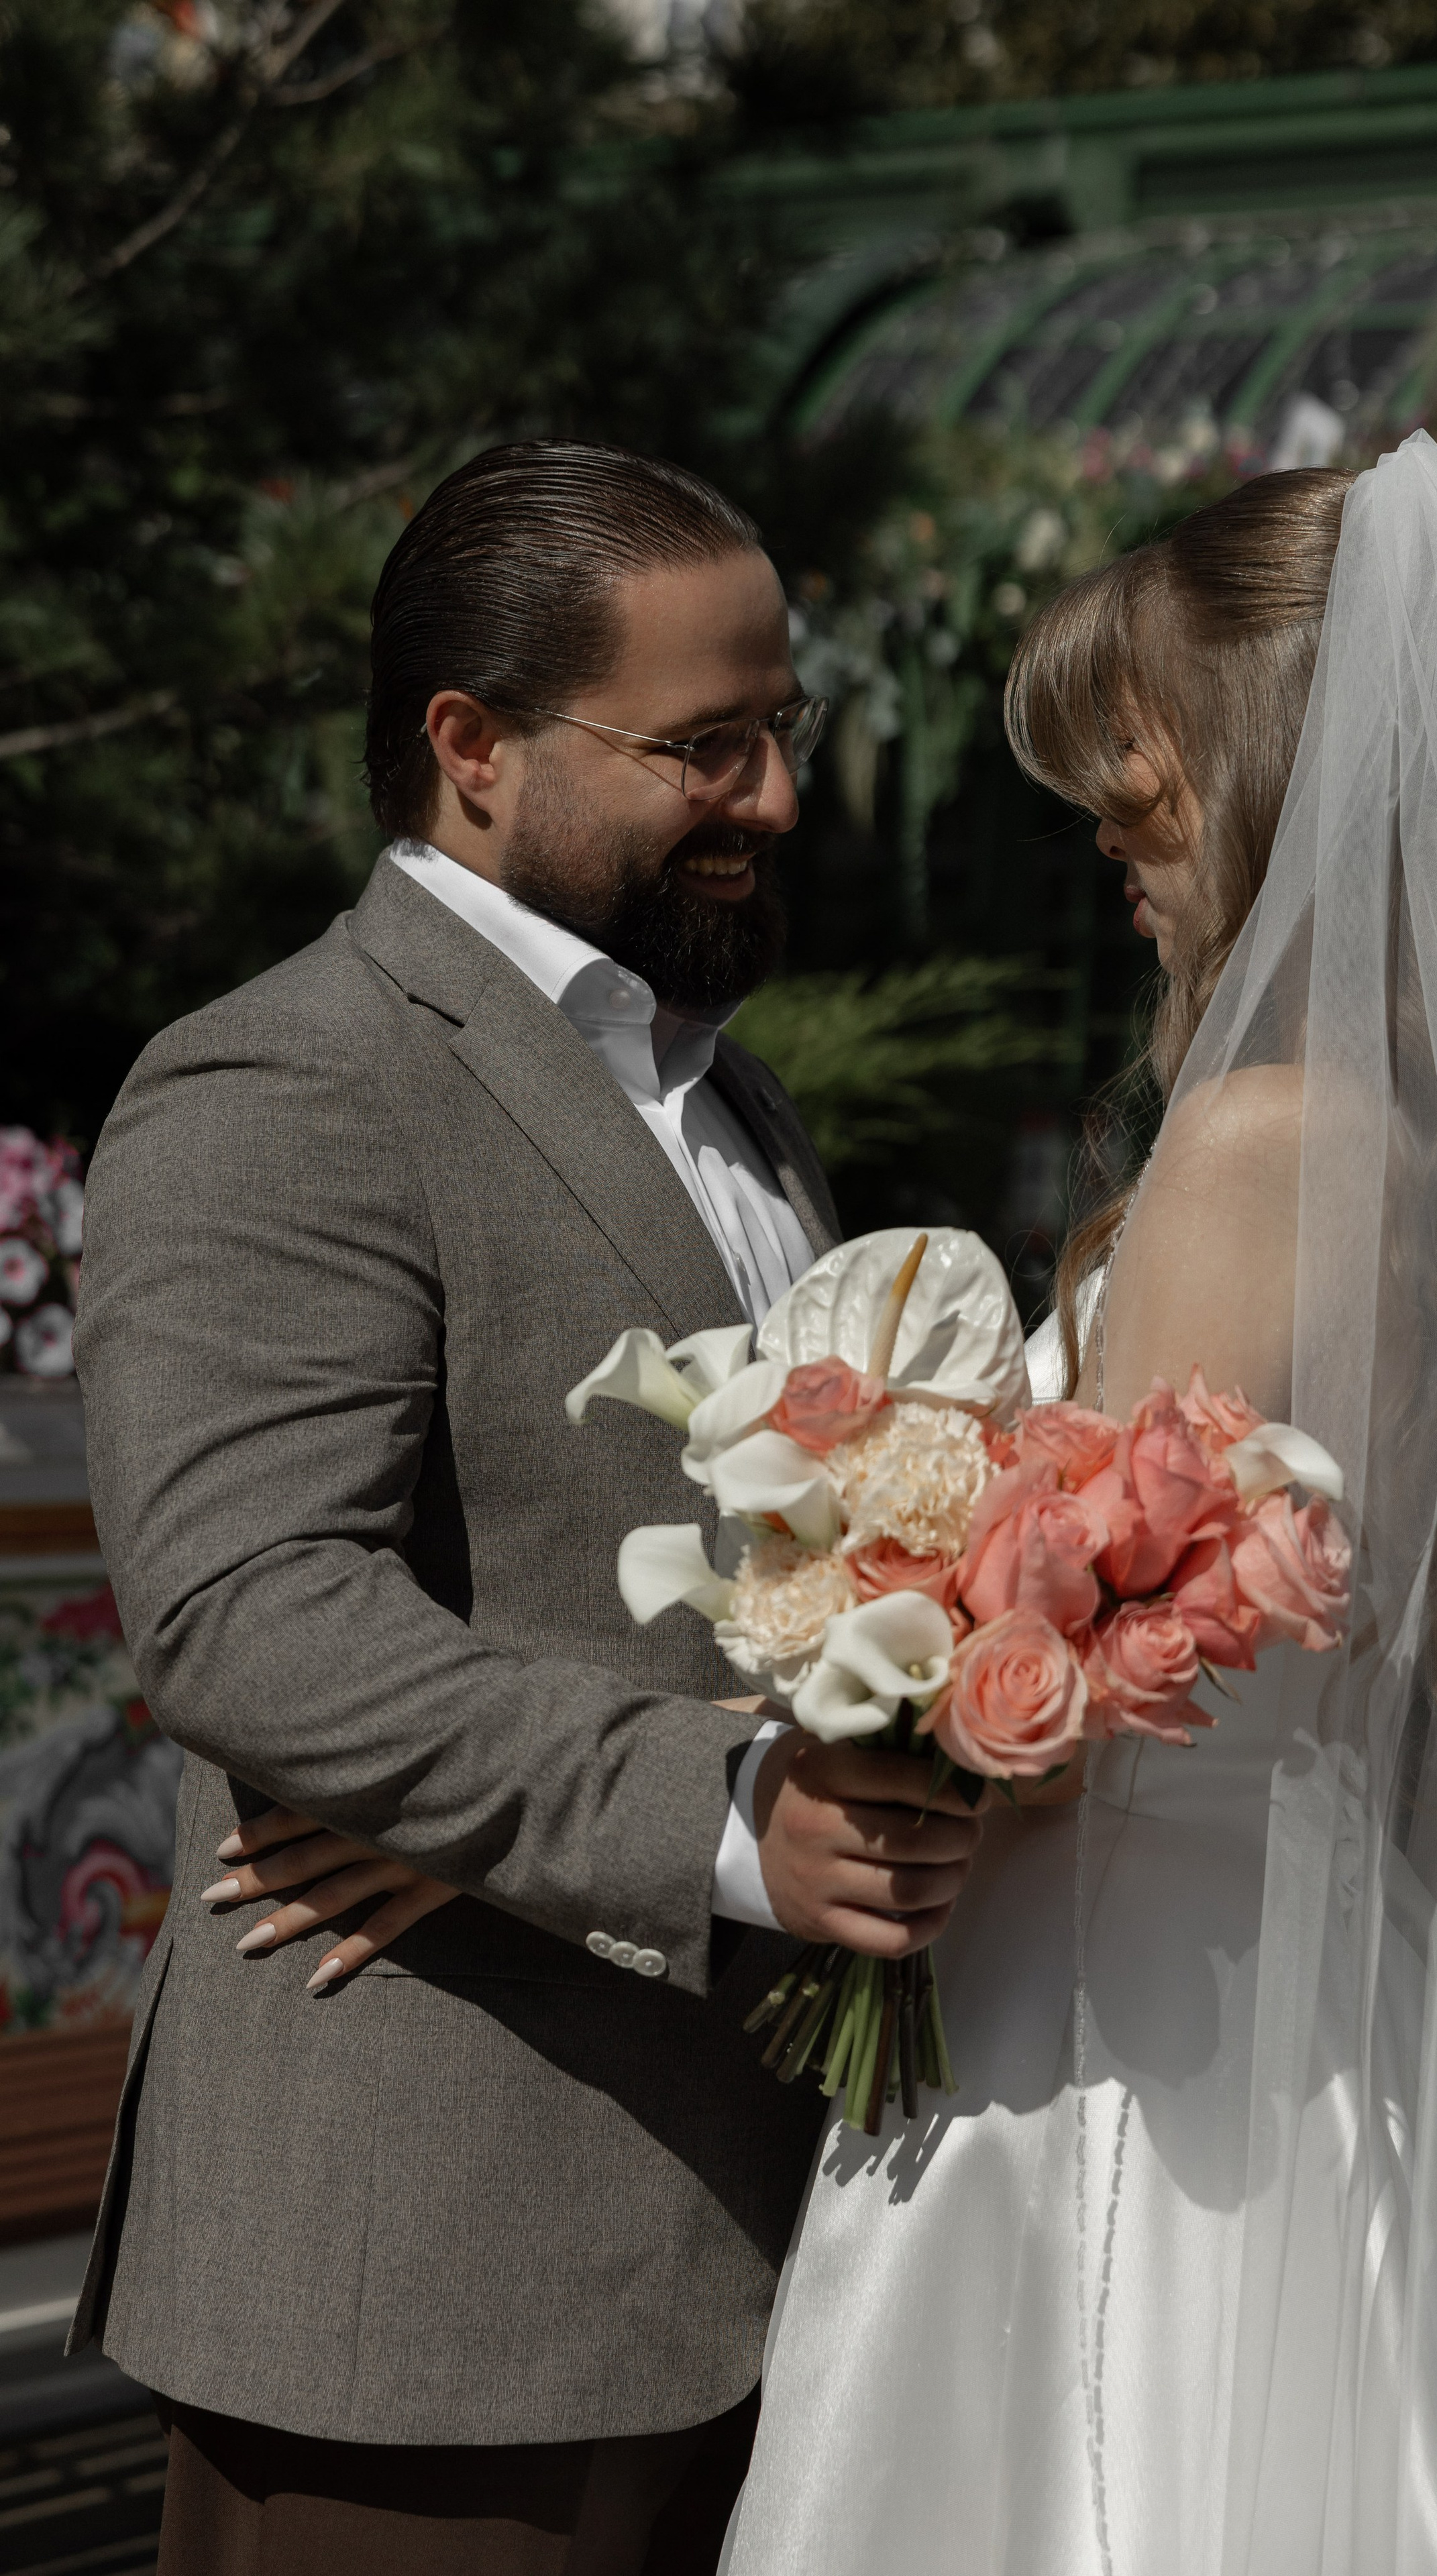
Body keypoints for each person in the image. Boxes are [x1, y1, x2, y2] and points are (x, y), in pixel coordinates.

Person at [721, 436, 1437, 2571]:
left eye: (1138, 784)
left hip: (1130, 2007)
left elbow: (1077, 1671)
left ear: (1271, 770)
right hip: (1315, 1970)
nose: (1108, 845)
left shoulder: (1263, 1133)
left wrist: (848, 1658)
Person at [68, 441, 986, 2575]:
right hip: (430, 2277)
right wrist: (725, 1816)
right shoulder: (287, 1075)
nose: (772, 794)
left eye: (788, 730)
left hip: (772, 2248)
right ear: (472, 749)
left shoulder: (730, 1096)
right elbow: (247, 1619)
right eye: (707, 744)